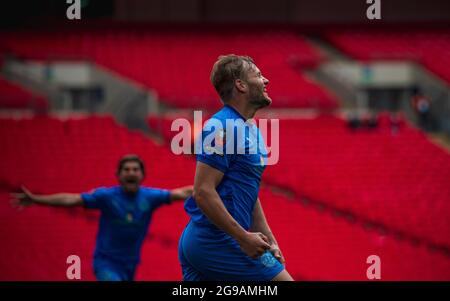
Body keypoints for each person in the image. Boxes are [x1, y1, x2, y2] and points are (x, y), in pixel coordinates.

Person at [178, 54, 293, 281]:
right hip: (215, 240)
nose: (266, 80)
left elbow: (250, 190)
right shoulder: (220, 128)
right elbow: (202, 192)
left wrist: (269, 238)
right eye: (258, 75)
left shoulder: (250, 129)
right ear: (240, 85)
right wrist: (243, 238)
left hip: (215, 241)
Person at [10, 154, 193, 281]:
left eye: (135, 169)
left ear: (142, 175)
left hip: (130, 264)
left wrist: (209, 187)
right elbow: (72, 199)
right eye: (126, 169)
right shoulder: (106, 197)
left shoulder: (151, 197)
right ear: (118, 175)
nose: (131, 173)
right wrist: (37, 199)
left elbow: (181, 193)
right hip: (105, 262)